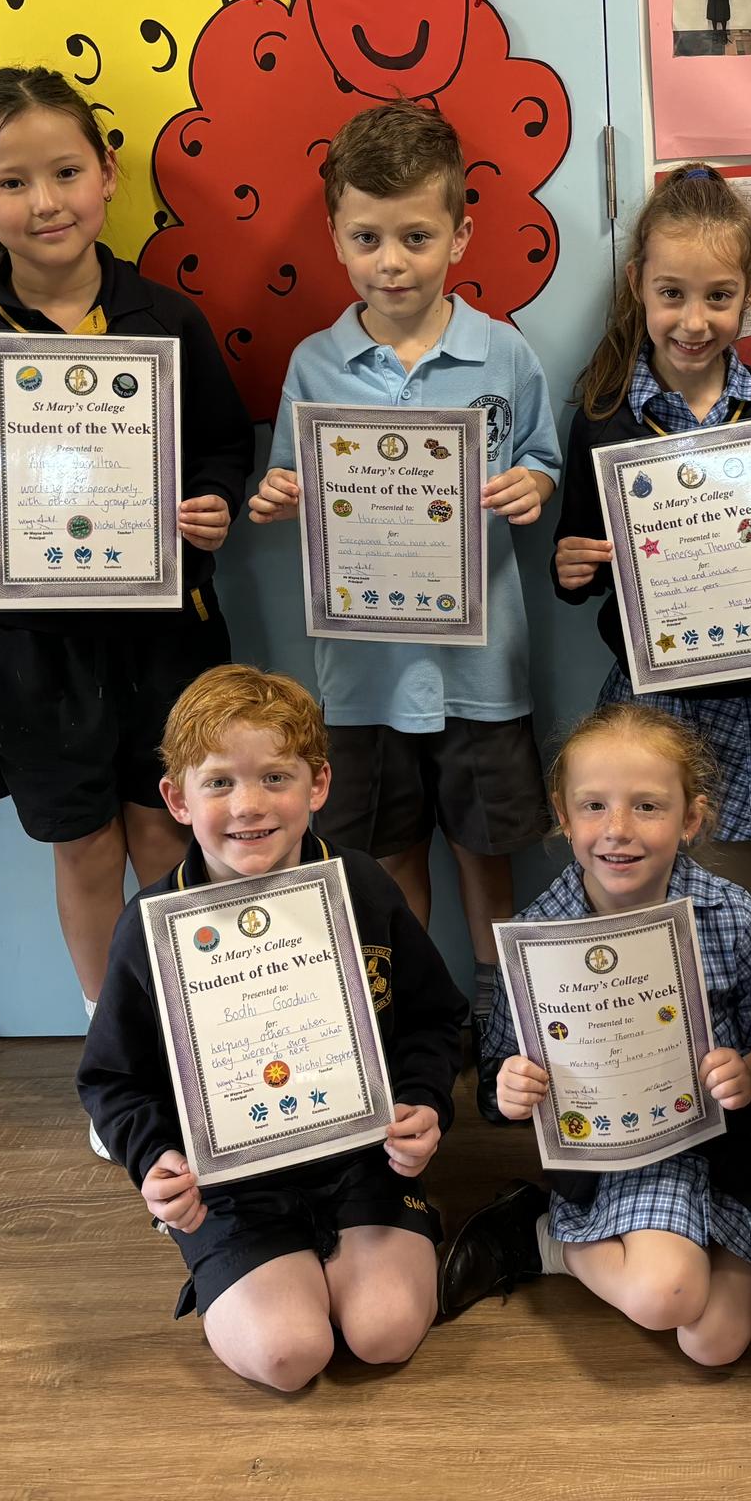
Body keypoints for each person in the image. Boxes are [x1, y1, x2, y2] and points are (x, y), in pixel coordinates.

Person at [0, 66, 253, 1152]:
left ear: (107, 174)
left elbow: (223, 450)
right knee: (84, 845)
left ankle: (196, 1030)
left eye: (64, 172)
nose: (44, 201)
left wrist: (214, 506)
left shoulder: (167, 318)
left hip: (165, 635)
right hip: (33, 649)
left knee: (168, 827)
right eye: (12, 182)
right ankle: (119, 1053)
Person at [247, 99, 562, 1068]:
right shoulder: (316, 364)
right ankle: (412, 1027)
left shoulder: (505, 354)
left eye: (417, 237)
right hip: (362, 677)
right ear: (337, 237)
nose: (393, 262)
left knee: (487, 855)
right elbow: (291, 478)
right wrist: (279, 494)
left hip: (481, 669)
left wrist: (533, 485)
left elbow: (543, 461)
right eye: (368, 238)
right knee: (383, 864)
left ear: (460, 236)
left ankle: (500, 1021)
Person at [77, 666, 470, 1392]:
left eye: (275, 778)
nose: (249, 805)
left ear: (318, 785)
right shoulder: (149, 928)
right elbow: (112, 1079)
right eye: (219, 782)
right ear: (177, 799)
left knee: (384, 1333)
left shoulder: (361, 885)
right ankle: (265, 1270)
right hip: (231, 1187)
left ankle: (348, 1261)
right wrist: (156, 1159)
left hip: (364, 1161)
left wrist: (424, 1102)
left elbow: (435, 1016)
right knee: (289, 1354)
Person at [438, 704, 751, 1365]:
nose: (617, 830)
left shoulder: (728, 912)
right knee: (665, 1296)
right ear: (563, 815)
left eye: (647, 806)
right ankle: (545, 1237)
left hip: (736, 1144)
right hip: (625, 1156)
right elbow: (498, 1078)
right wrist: (512, 1086)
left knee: (715, 1343)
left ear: (690, 818)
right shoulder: (538, 937)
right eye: (594, 806)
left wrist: (750, 1072)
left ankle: (615, 1245)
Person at [547, 164, 751, 915]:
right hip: (658, 685)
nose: (694, 321)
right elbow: (578, 561)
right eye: (671, 294)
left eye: (719, 297)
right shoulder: (605, 415)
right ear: (639, 286)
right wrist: (572, 566)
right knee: (644, 855)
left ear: (749, 290)